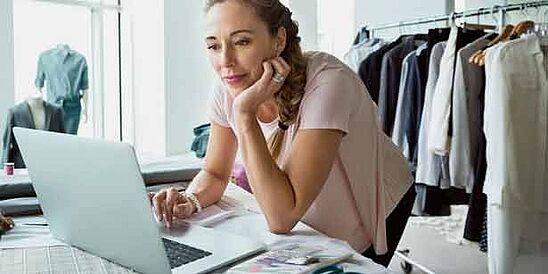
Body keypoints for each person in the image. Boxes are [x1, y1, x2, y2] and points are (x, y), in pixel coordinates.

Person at [151, 0, 415, 266]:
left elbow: (281, 217)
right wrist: (190, 199)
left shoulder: (329, 83)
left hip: (372, 199)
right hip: (305, 207)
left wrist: (244, 115)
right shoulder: (226, 88)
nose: (225, 61)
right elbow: (215, 173)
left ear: (278, 40)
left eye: (242, 42)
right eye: (213, 46)